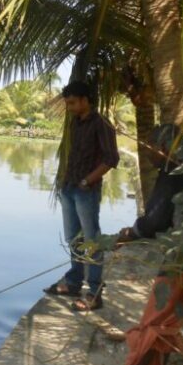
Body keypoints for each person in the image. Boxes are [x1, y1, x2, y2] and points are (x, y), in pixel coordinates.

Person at [93, 124, 183, 365]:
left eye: (149, 149)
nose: (148, 155)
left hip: (181, 263)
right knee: (168, 326)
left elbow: (156, 219)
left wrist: (130, 234)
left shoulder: (172, 173)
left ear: (164, 148)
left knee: (153, 326)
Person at [45, 80, 119, 311]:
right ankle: (74, 282)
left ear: (86, 100)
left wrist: (88, 180)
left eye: (73, 103)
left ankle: (95, 293)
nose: (70, 108)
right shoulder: (75, 124)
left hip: (86, 190)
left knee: (92, 241)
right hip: (68, 187)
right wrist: (63, 181)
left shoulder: (102, 124)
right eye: (68, 103)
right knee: (73, 238)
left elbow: (111, 159)